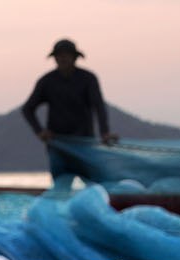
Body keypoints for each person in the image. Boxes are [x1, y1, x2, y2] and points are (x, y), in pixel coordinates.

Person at [20, 39, 118, 178]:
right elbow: (27, 109)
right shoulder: (47, 81)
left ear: (75, 57)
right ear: (54, 58)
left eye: (66, 54)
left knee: (91, 181)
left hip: (84, 142)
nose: (63, 58)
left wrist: (104, 132)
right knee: (61, 182)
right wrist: (39, 131)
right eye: (59, 55)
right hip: (58, 143)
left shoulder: (88, 79)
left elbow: (99, 106)